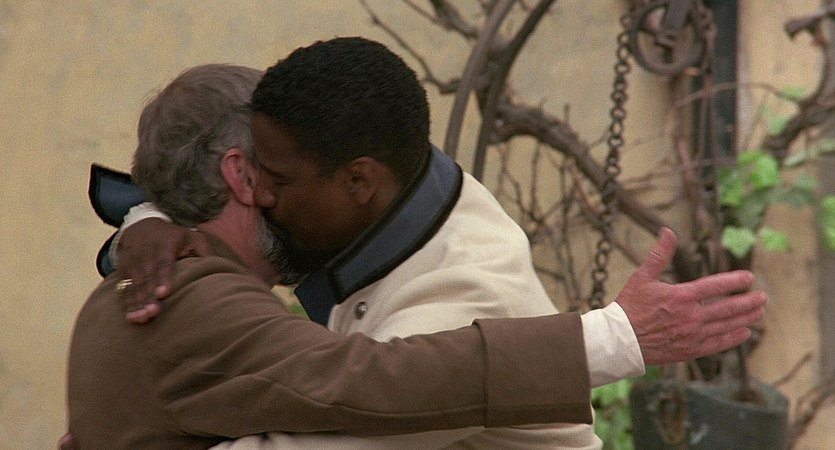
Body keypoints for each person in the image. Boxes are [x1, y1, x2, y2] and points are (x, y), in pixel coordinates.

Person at [98, 39, 765, 449]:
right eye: (250, 179)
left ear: (358, 181)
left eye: (275, 180)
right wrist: (149, 216)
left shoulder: (464, 291)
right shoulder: (372, 187)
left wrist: (613, 339)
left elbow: (356, 407)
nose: (263, 196)